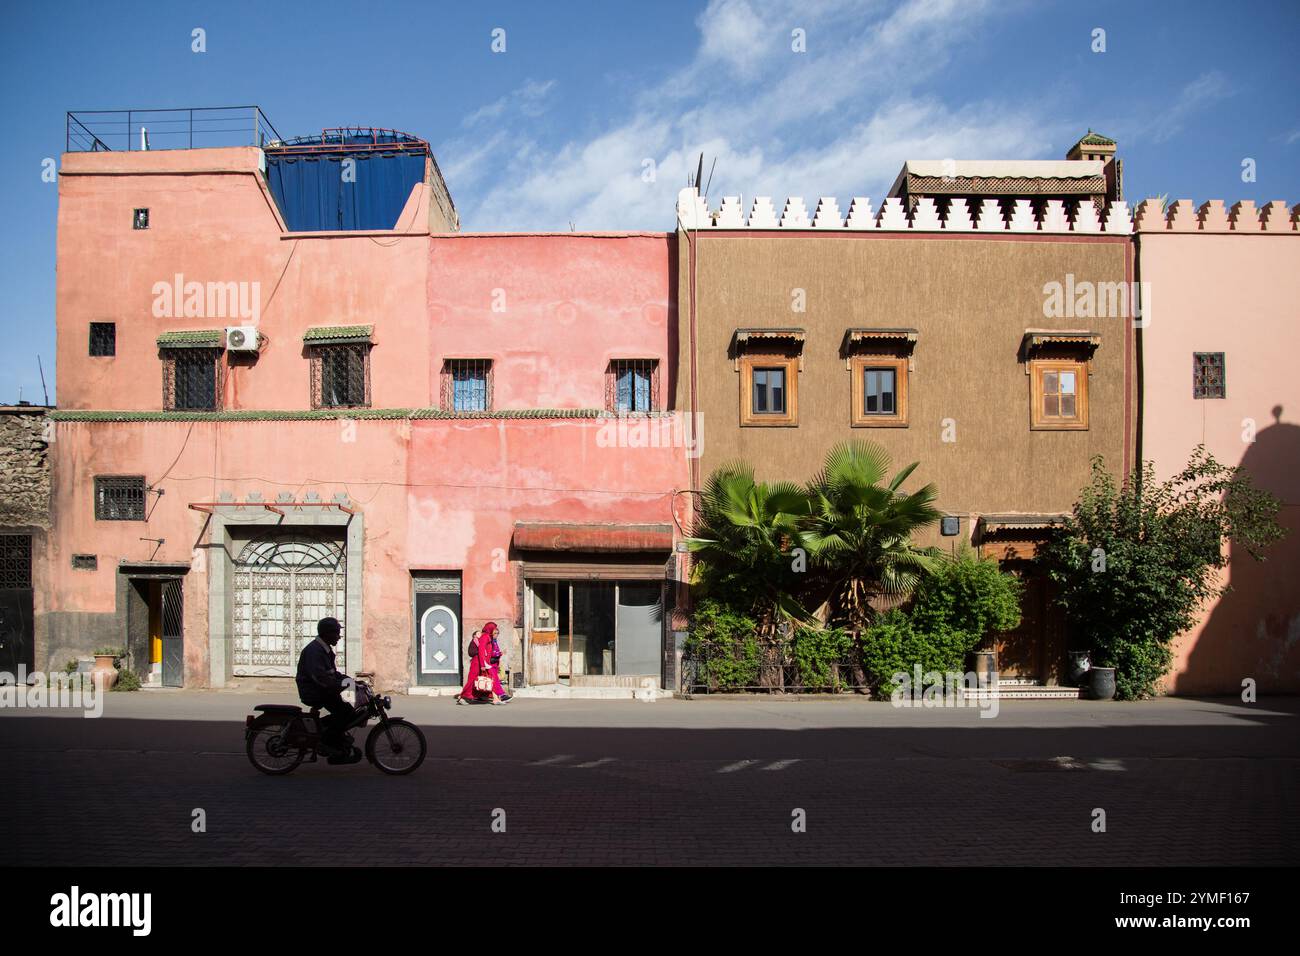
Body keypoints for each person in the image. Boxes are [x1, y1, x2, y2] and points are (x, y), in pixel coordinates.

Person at [296, 617, 358, 757]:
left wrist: (349, 681)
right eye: (336, 633)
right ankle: (327, 741)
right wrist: (339, 687)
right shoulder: (315, 651)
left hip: (321, 689)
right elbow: (320, 678)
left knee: (347, 709)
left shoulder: (324, 649)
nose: (339, 637)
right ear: (326, 633)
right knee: (345, 712)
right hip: (313, 691)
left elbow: (332, 673)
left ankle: (324, 729)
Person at [457, 621, 511, 705]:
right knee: (472, 680)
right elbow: (481, 650)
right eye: (494, 629)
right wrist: (483, 664)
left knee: (490, 679)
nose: (495, 631)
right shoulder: (485, 637)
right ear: (490, 629)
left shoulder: (488, 637)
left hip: (484, 662)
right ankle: (463, 697)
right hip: (478, 662)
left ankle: (494, 698)